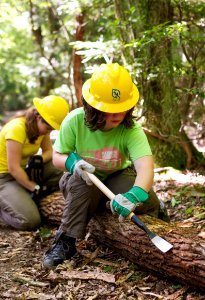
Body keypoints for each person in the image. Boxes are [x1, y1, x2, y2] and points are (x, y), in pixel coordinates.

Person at [43, 63, 169, 269]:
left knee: (147, 199)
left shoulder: (131, 130)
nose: (116, 115)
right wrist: (71, 163)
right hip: (82, 177)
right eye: (109, 109)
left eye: (121, 108)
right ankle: (66, 241)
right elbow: (57, 155)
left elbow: (145, 168)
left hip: (117, 174)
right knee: (80, 186)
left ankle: (152, 207)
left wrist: (134, 195)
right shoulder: (74, 120)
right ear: (92, 107)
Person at [0, 95, 69, 230]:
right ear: (38, 117)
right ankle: (4, 208)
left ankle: (25, 197)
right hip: (5, 178)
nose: (50, 131)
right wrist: (34, 188)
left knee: (60, 169)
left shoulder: (41, 128)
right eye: (49, 128)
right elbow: (13, 168)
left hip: (22, 172)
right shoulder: (16, 128)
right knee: (30, 221)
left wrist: (39, 159)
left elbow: (50, 151)